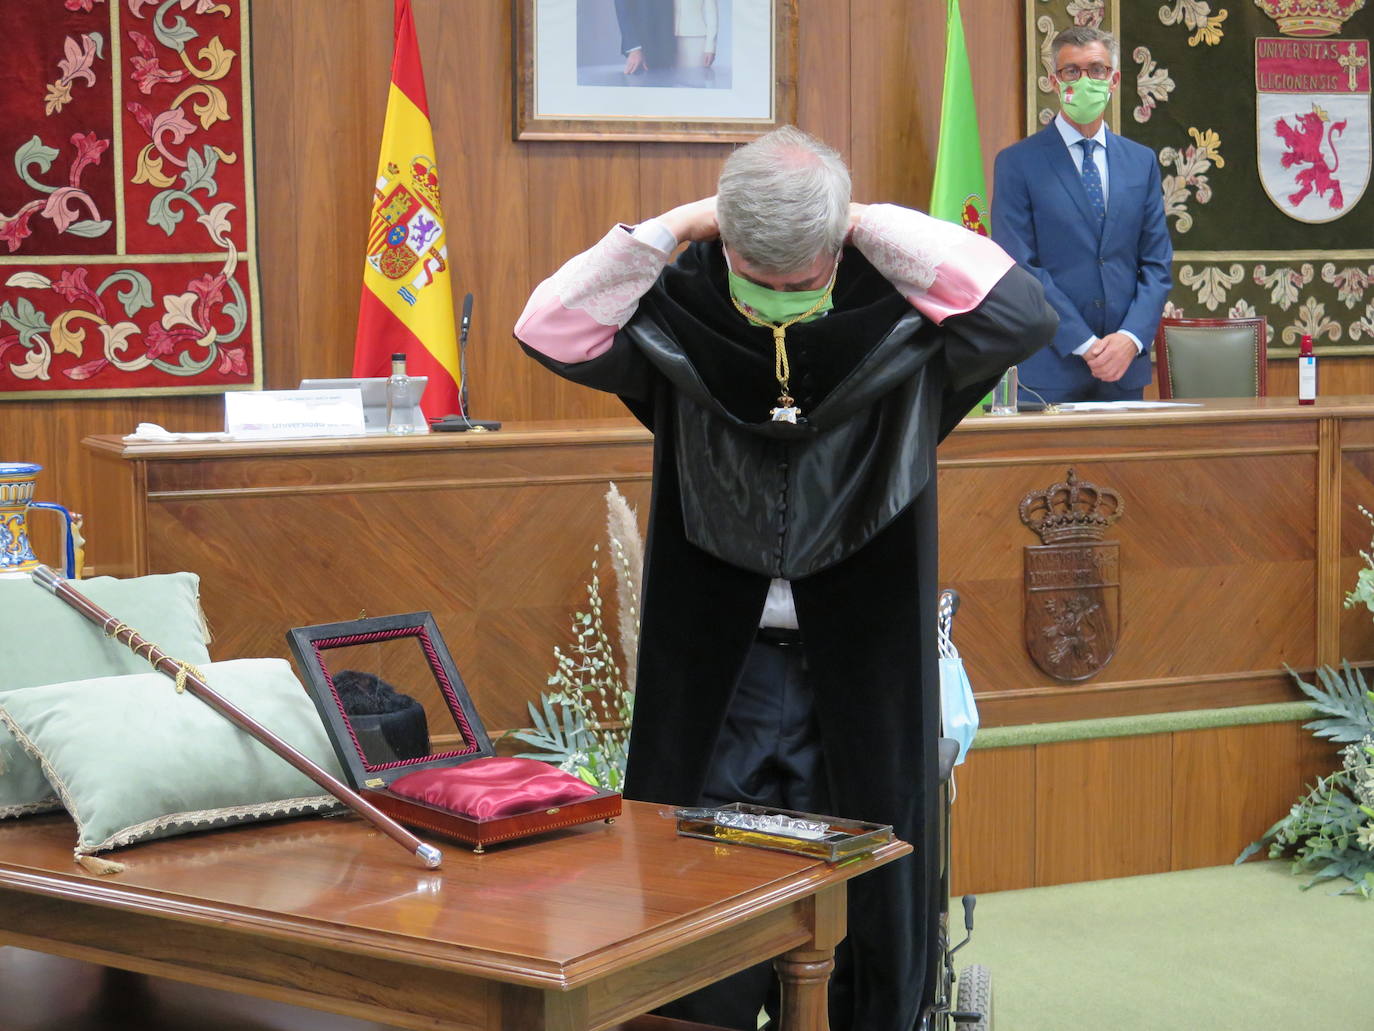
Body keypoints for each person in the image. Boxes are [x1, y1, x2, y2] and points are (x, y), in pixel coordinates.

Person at [514, 126, 1056, 1031]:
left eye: (803, 271)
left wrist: (858, 222)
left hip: (862, 662)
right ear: (727, 244)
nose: (779, 296)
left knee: (869, 889)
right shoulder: (685, 310)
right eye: (759, 268)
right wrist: (680, 228)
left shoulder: (894, 323)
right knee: (696, 885)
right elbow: (548, 325)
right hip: (716, 665)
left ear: (838, 246)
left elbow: (1023, 314)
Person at [991, 25, 1172, 404]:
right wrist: (1083, 342)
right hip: (1047, 370)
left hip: (1124, 371)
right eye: (1072, 71)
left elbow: (1156, 264)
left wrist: (1130, 339)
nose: (1085, 80)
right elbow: (1019, 266)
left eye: (1096, 70)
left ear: (1114, 79)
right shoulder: (1018, 163)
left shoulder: (1141, 162)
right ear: (1054, 83)